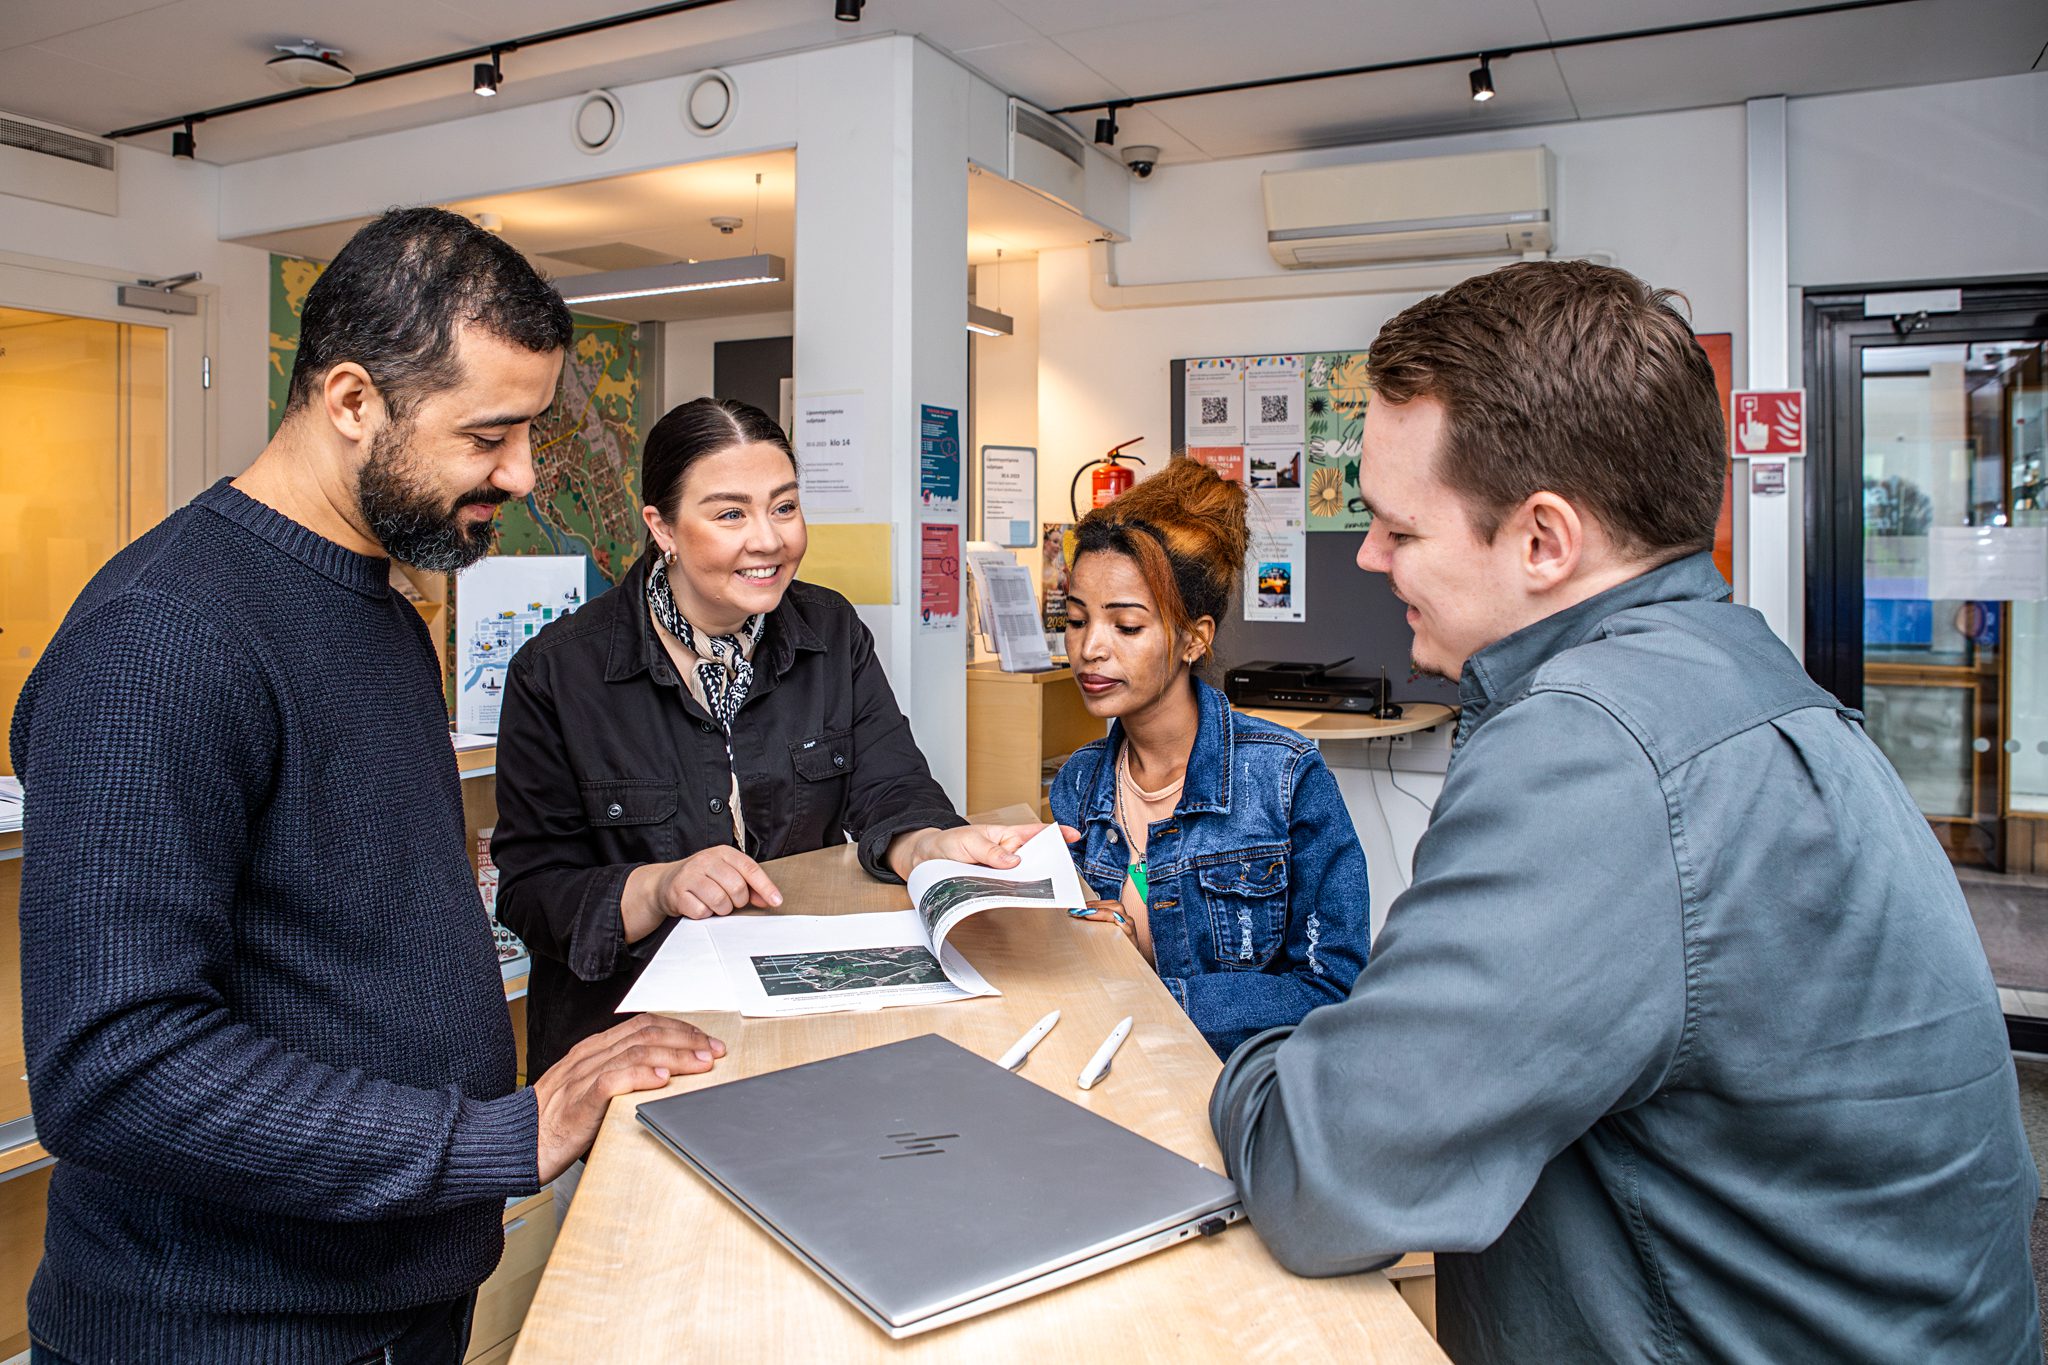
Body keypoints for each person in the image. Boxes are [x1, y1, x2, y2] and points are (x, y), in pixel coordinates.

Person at [1209, 261, 2040, 1362]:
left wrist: (1257, 1049)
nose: (1368, 557)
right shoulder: (1747, 684)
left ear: (1544, 540)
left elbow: (1328, 1174)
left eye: (1398, 531)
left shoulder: (1593, 750)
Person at [10, 207, 729, 1365]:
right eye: (490, 435)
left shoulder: (381, 609)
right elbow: (113, 1068)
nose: (525, 473)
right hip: (224, 1337)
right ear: (352, 402)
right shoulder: (163, 638)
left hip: (395, 1303)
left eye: (532, 432)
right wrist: (503, 1135)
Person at [491, 397, 1038, 1082]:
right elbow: (533, 894)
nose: (769, 540)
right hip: (633, 1053)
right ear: (661, 526)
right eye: (730, 514)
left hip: (801, 1029)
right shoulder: (557, 672)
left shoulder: (830, 632)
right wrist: (659, 886)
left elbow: (891, 785)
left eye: (784, 506)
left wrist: (931, 844)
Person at [1049, 457, 1370, 1058]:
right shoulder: (1077, 784)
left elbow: (1333, 992)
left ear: (1195, 638)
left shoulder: (1285, 779)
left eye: (1126, 626)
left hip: (1241, 1095)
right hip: (1112, 1081)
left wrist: (1162, 992)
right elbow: (1076, 972)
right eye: (1075, 620)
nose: (1090, 648)